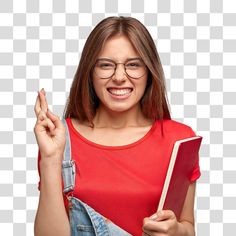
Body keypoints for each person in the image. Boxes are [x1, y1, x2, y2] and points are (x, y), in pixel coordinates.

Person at [34, 16, 200, 236]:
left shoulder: (179, 139)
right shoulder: (60, 138)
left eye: (133, 65)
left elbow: (188, 226)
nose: (119, 77)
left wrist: (177, 231)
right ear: (89, 71)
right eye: (105, 65)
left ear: (150, 71)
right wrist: (49, 159)